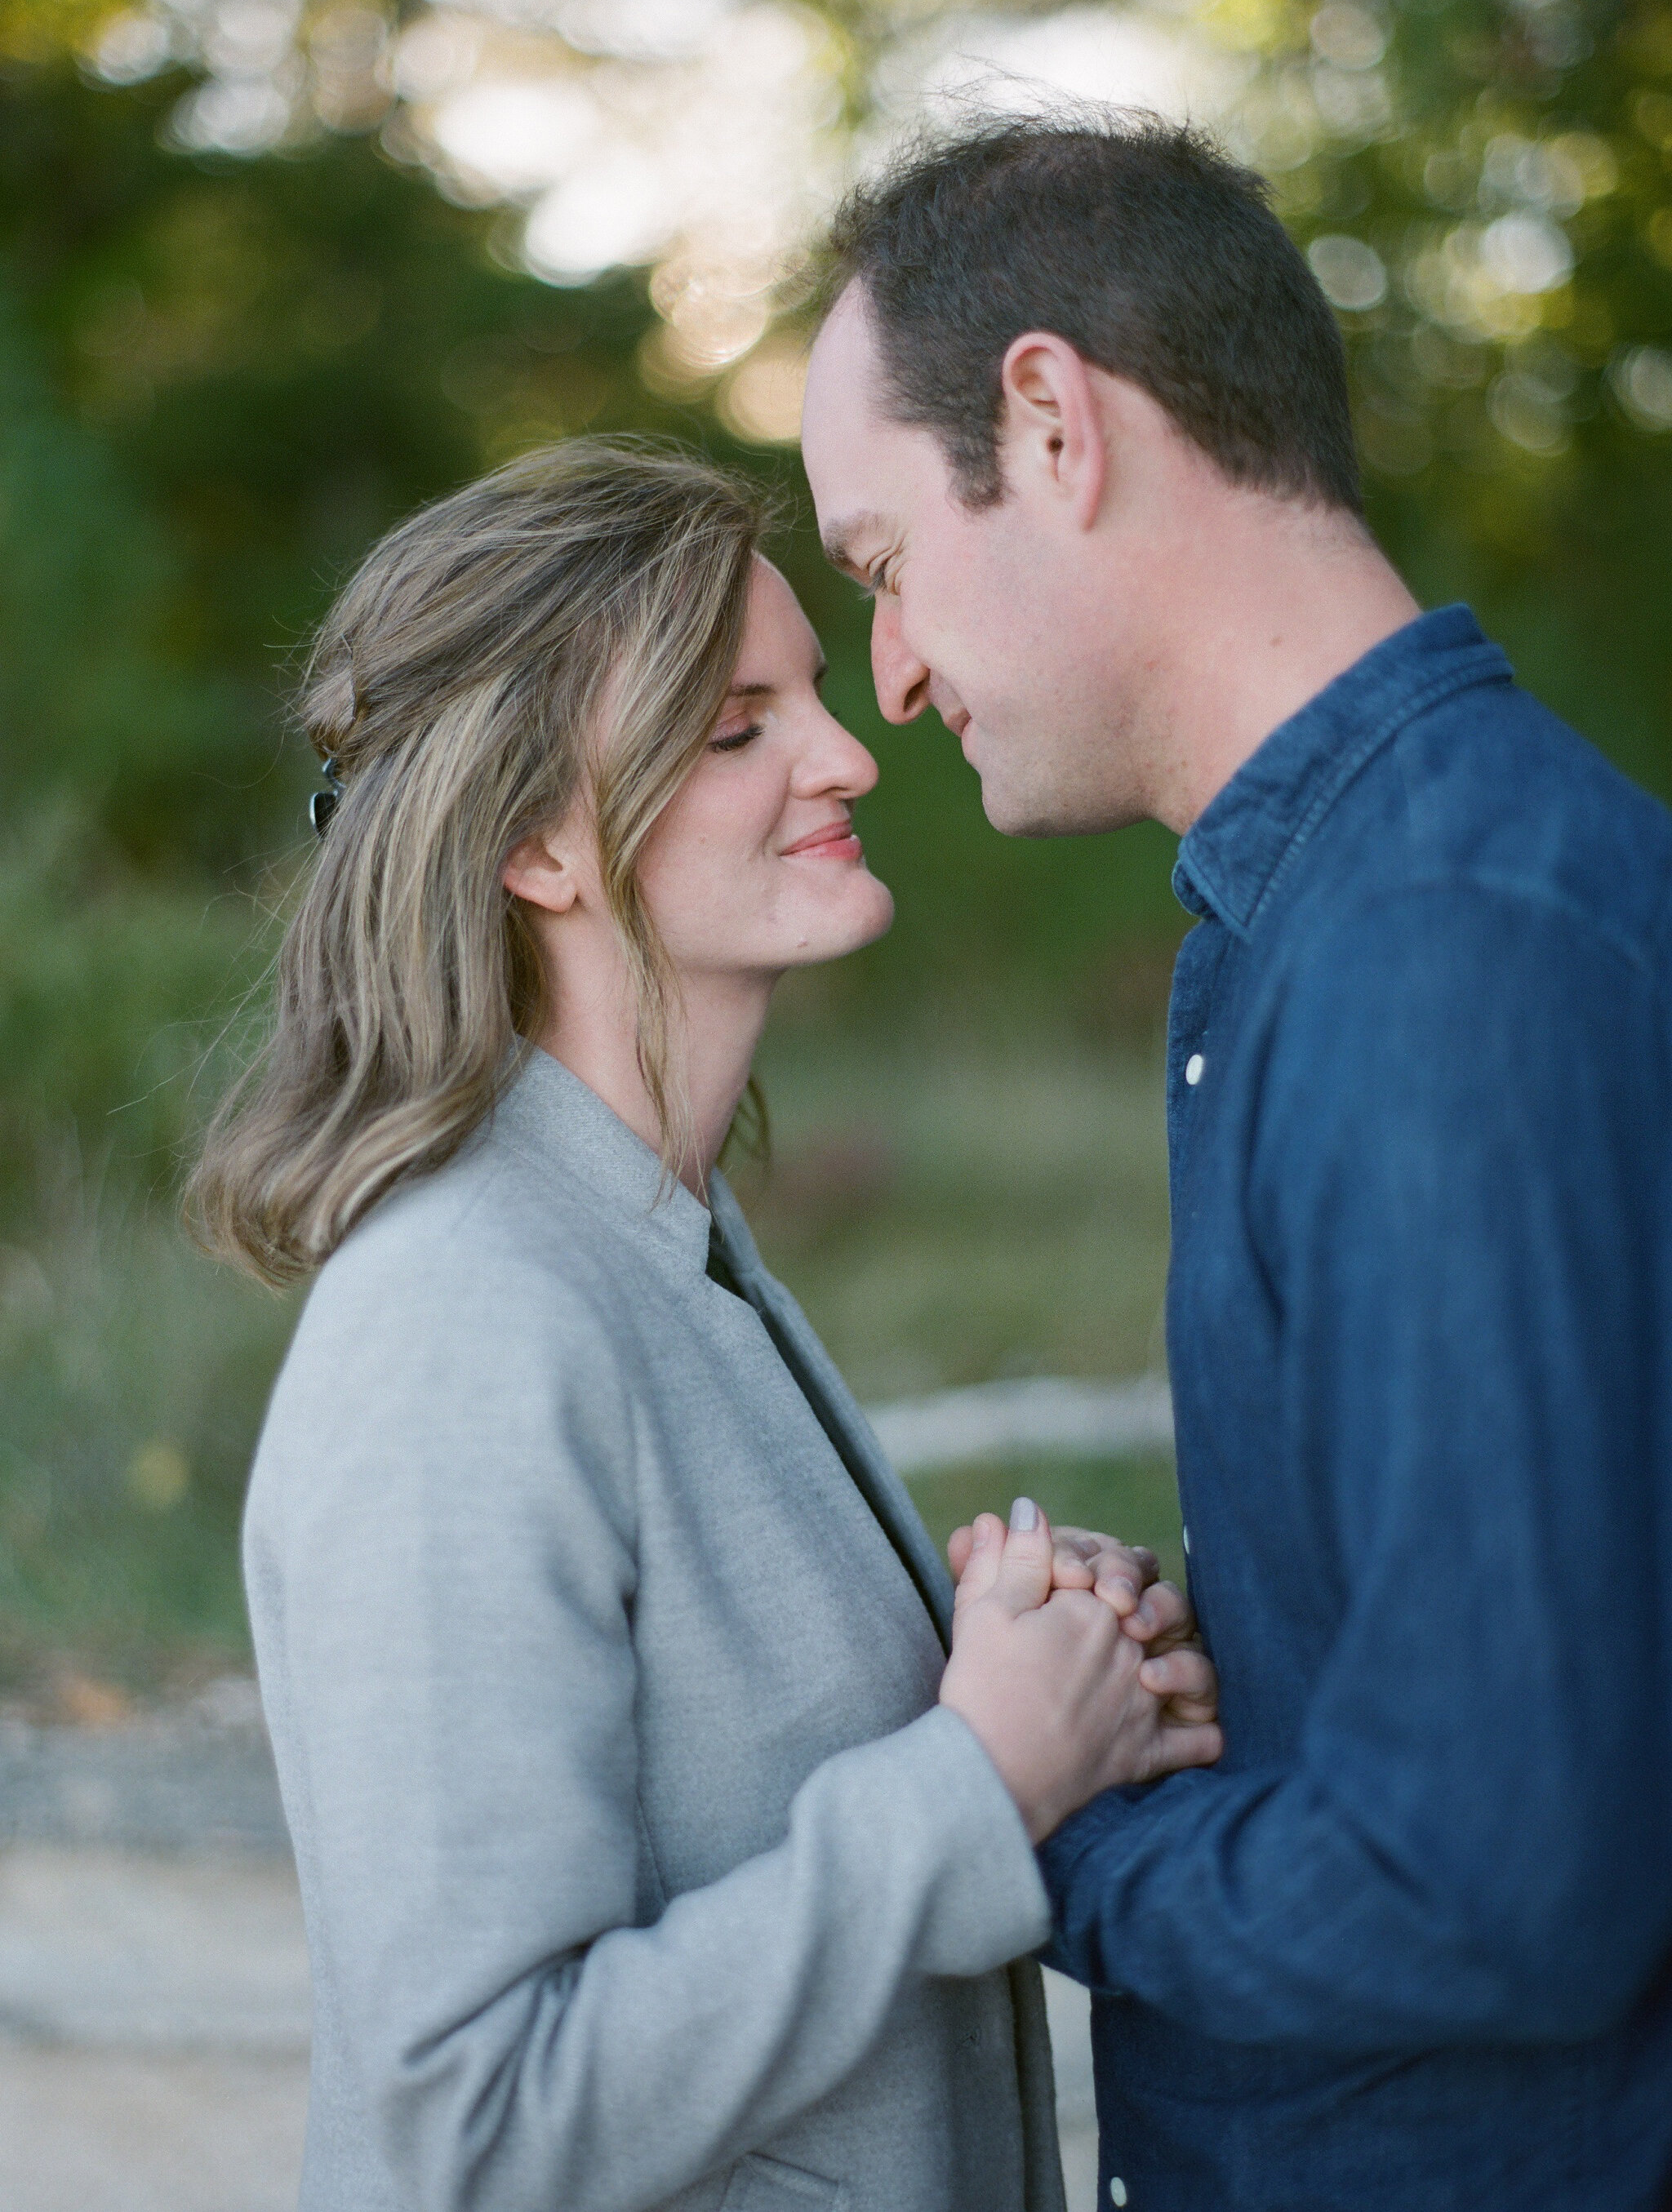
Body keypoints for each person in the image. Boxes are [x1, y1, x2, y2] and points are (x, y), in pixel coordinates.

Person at [800, 114, 1672, 2211]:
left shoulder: (1440, 949)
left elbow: (1498, 1880)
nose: (892, 669)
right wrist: (1205, 1666)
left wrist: (1044, 1814)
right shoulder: (1342, 915)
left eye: (880, 563)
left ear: (1049, 423)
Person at [190, 439, 1221, 2212]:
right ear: (531, 843)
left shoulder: (663, 1239)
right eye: (736, 728)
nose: (846, 755)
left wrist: (1034, 1657)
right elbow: (479, 2117)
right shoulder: (457, 1327)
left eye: (808, 694)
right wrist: (979, 1780)